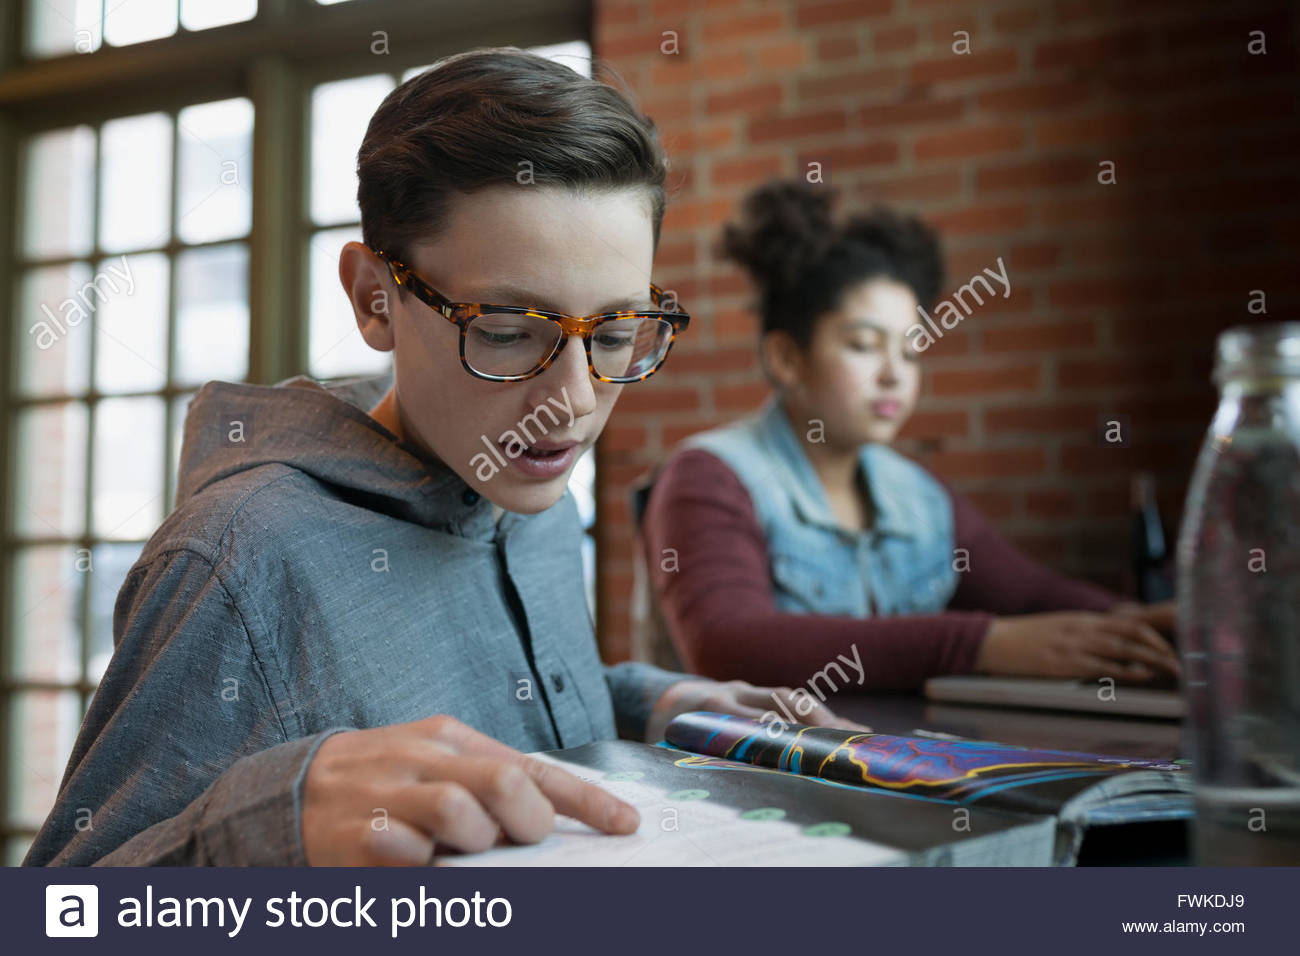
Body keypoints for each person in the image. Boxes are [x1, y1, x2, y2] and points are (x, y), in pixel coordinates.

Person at [24, 51, 861, 868]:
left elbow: (496, 701)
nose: (572, 400)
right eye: (504, 332)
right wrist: (269, 824)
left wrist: (649, 700)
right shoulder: (237, 561)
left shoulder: (537, 495)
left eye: (614, 333)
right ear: (373, 299)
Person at [639, 180, 1180, 692]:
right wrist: (979, 644)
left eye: (911, 350)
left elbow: (1032, 594)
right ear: (787, 358)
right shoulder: (710, 476)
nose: (895, 374)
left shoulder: (916, 496)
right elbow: (729, 645)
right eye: (864, 344)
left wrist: (1133, 623)